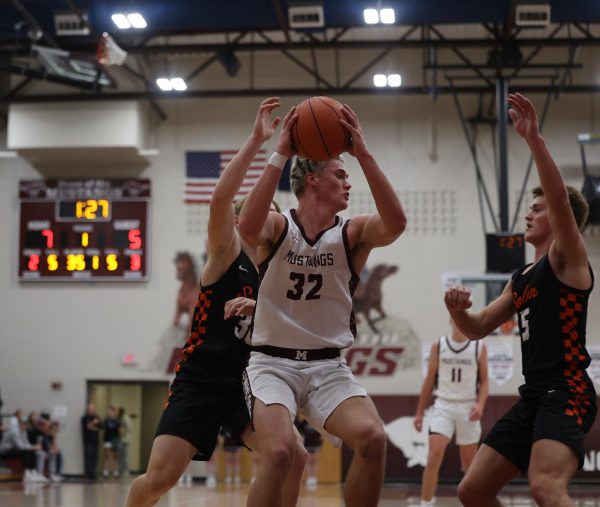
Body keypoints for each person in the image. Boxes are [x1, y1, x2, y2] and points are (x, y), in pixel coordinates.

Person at [125, 97, 306, 507]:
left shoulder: (277, 275)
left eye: (276, 216)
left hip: (249, 381)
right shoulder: (227, 254)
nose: (272, 223)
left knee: (292, 455)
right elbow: (219, 201)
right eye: (264, 215)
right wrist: (258, 142)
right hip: (202, 378)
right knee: (159, 479)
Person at [238, 102, 407, 507]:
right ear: (312, 180)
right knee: (279, 454)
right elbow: (246, 226)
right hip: (271, 364)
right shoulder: (281, 226)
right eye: (340, 174)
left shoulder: (352, 234)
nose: (349, 183)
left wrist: (362, 154)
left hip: (327, 365)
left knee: (373, 439)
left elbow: (397, 223)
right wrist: (279, 152)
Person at [445, 93, 597, 507]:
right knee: (472, 491)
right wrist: (457, 310)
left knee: (545, 487)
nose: (528, 215)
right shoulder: (521, 279)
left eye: (537, 208)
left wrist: (534, 141)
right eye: (529, 208)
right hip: (534, 394)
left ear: (560, 218)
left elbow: (562, 202)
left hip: (568, 391)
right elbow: (476, 328)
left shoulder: (567, 258)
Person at [413, 320, 489, 507]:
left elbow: (485, 381)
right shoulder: (439, 346)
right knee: (433, 456)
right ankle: (426, 503)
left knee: (469, 465)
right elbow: (429, 381)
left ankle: (473, 502)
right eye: (455, 319)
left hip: (468, 407)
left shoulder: (478, 346)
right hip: (443, 406)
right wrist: (419, 413)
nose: (458, 322)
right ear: (450, 321)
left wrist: (480, 405)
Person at [294, 415, 323, 490]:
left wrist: (320, 443)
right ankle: (306, 479)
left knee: (314, 461)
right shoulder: (304, 423)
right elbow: (300, 433)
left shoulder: (316, 422)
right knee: (307, 462)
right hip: (307, 445)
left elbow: (320, 434)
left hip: (316, 444)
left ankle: (313, 478)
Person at [81, 402, 101, 479]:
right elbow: (87, 427)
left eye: (93, 409)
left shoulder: (97, 417)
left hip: (95, 441)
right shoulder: (84, 418)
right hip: (87, 441)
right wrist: (93, 424)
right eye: (91, 409)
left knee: (95, 458)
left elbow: (99, 427)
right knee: (88, 458)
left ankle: (93, 473)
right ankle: (87, 474)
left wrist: (92, 427)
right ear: (88, 409)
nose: (92, 411)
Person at [102, 405, 121, 478]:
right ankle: (106, 472)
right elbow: (104, 430)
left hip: (115, 440)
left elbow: (119, 431)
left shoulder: (117, 420)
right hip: (107, 440)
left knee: (115, 457)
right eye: (108, 412)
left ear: (114, 412)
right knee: (106, 456)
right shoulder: (106, 420)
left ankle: (115, 472)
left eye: (111, 412)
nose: (110, 413)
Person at [118, 407, 133, 477]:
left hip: (125, 439)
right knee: (122, 456)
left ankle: (126, 471)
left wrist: (122, 432)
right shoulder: (123, 418)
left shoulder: (125, 418)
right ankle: (123, 470)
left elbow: (128, 427)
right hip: (123, 439)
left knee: (124, 456)